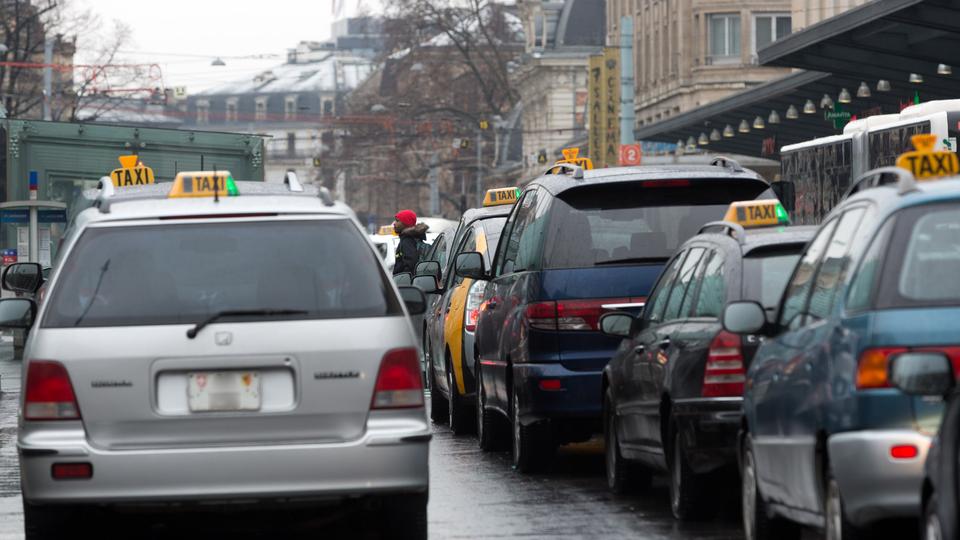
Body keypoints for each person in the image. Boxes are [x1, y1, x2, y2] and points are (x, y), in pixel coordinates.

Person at [393, 209, 429, 275]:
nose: (394, 223)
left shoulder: (407, 241)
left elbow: (411, 264)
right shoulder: (414, 238)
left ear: (406, 223)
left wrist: (403, 279)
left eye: (397, 221)